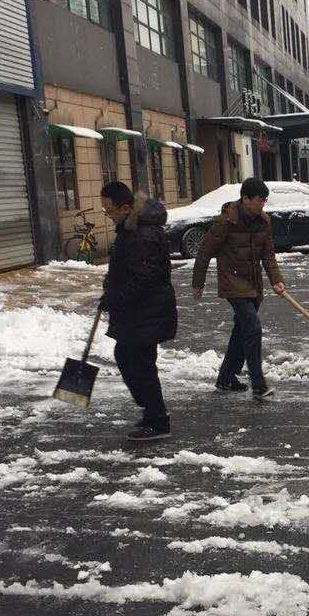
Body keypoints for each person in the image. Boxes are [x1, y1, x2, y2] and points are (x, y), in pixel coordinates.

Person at [191, 176, 286, 401]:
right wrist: (198, 283)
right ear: (245, 199)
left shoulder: (264, 222)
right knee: (252, 327)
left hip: (254, 284)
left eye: (265, 200)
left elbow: (268, 255)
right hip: (232, 282)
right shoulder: (226, 222)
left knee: (241, 330)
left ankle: (226, 378)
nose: (263, 204)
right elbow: (204, 252)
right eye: (260, 200)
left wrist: (276, 279)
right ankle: (258, 385)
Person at [99, 181, 178, 443]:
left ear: (124, 207)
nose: (107, 215)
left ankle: (158, 419)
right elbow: (126, 270)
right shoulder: (131, 228)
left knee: (140, 363)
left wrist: (114, 297)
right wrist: (110, 290)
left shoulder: (141, 234)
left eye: (109, 210)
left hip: (148, 310)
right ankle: (152, 411)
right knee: (127, 356)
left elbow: (145, 279)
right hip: (139, 310)